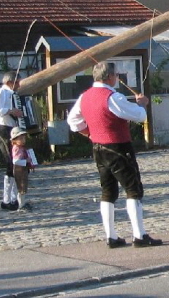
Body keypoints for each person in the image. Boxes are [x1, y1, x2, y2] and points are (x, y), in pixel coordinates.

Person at [68, 61, 162, 248]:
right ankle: (139, 235)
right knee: (133, 189)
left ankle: (111, 236)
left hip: (98, 147)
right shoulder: (112, 97)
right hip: (118, 147)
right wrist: (142, 104)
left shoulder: (84, 97)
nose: (117, 78)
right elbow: (138, 116)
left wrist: (90, 132)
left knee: (107, 192)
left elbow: (73, 121)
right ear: (109, 77)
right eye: (116, 75)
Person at [0, 72, 24, 211]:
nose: (19, 85)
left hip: (14, 129)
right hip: (4, 129)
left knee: (18, 163)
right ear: (10, 82)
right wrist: (10, 111)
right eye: (17, 82)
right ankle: (6, 199)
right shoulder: (0, 93)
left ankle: (15, 198)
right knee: (10, 163)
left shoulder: (14, 94)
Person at [9, 127, 36, 211]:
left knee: (24, 186)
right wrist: (25, 161)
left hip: (23, 169)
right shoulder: (16, 148)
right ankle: (21, 205)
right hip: (19, 169)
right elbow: (15, 161)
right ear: (15, 140)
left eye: (24, 138)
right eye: (21, 138)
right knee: (21, 186)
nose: (23, 140)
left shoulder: (21, 148)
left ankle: (23, 202)